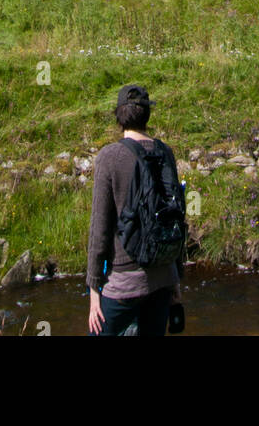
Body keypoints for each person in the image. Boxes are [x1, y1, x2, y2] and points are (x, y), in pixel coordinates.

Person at [87, 83, 185, 336]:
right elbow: (176, 215)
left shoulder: (109, 157)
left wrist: (94, 291)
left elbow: (100, 230)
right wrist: (175, 278)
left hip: (124, 282)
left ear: (119, 116)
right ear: (147, 115)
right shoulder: (166, 153)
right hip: (163, 277)